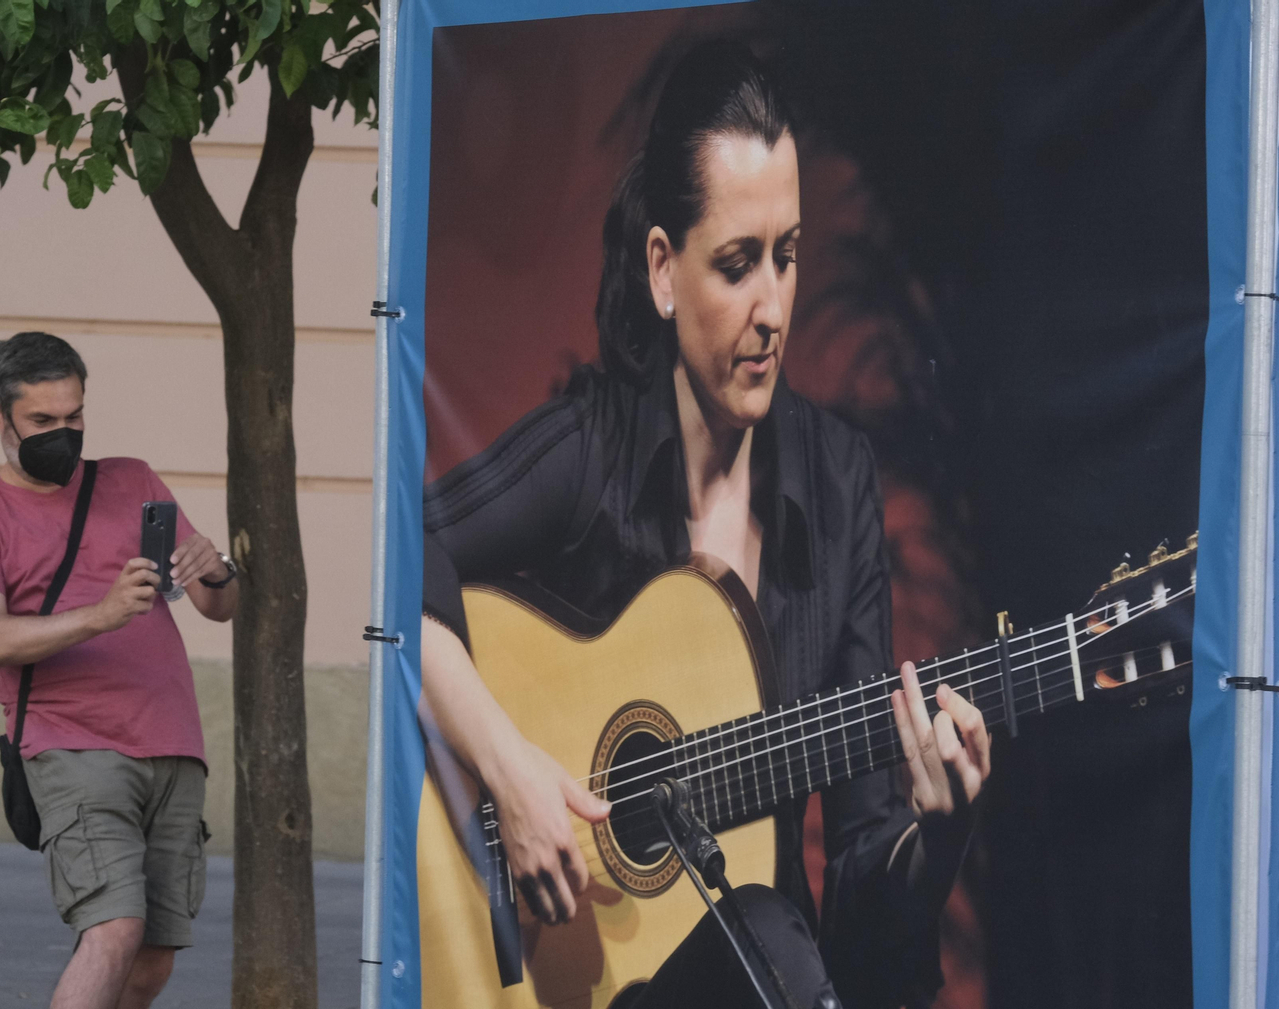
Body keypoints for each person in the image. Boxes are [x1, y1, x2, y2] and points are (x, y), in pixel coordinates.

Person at [420, 42, 990, 1009]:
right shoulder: (591, 448)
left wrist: (935, 838)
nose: (773, 308)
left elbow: (860, 880)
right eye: (736, 265)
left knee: (775, 933)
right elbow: (403, 554)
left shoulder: (837, 483)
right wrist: (510, 771)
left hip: (751, 982)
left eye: (788, 255)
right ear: (663, 270)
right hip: (549, 976)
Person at [0, 332, 240, 1009]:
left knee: (155, 950)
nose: (63, 434)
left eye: (74, 417)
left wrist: (214, 569)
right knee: (113, 925)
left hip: (172, 739)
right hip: (70, 741)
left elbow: (220, 606)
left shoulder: (130, 479)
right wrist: (100, 615)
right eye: (43, 421)